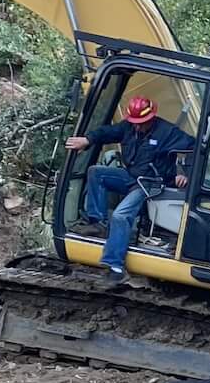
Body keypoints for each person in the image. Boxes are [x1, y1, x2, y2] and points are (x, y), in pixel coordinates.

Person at [64, 95, 194, 283]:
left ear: (151, 117)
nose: (137, 127)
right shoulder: (128, 127)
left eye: (142, 123)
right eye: (134, 123)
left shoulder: (167, 132)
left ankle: (115, 266)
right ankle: (98, 224)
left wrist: (185, 173)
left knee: (120, 215)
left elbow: (195, 148)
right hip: (131, 176)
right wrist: (88, 139)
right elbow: (108, 132)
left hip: (150, 183)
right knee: (96, 172)